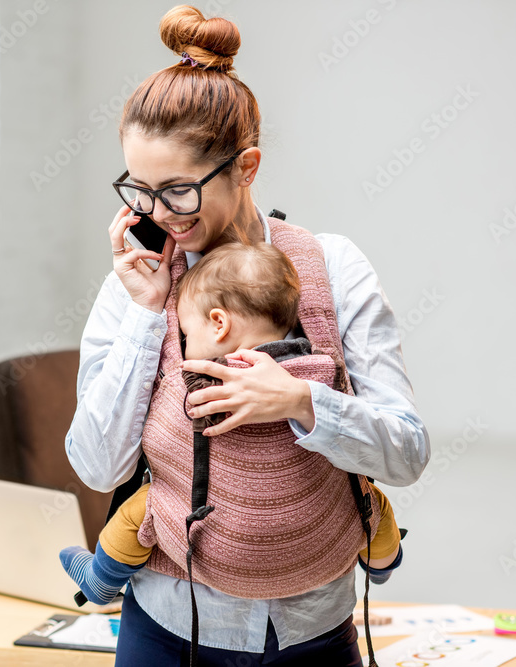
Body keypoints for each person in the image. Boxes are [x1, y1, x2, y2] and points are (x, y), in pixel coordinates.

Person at [64, 6, 429, 665]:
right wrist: (149, 313)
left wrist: (301, 402)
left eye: (177, 190)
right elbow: (97, 465)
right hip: (166, 629)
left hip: (310, 633)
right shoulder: (136, 284)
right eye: (138, 191)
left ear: (247, 166)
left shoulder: (332, 268)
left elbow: (407, 452)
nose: (156, 217)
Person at [59, 242, 404, 607]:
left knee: (145, 504)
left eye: (187, 335)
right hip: (324, 555)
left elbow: (157, 447)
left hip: (212, 559)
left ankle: (100, 580)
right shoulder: (319, 371)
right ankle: (382, 564)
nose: (185, 342)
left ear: (219, 324)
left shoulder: (200, 385)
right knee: (371, 500)